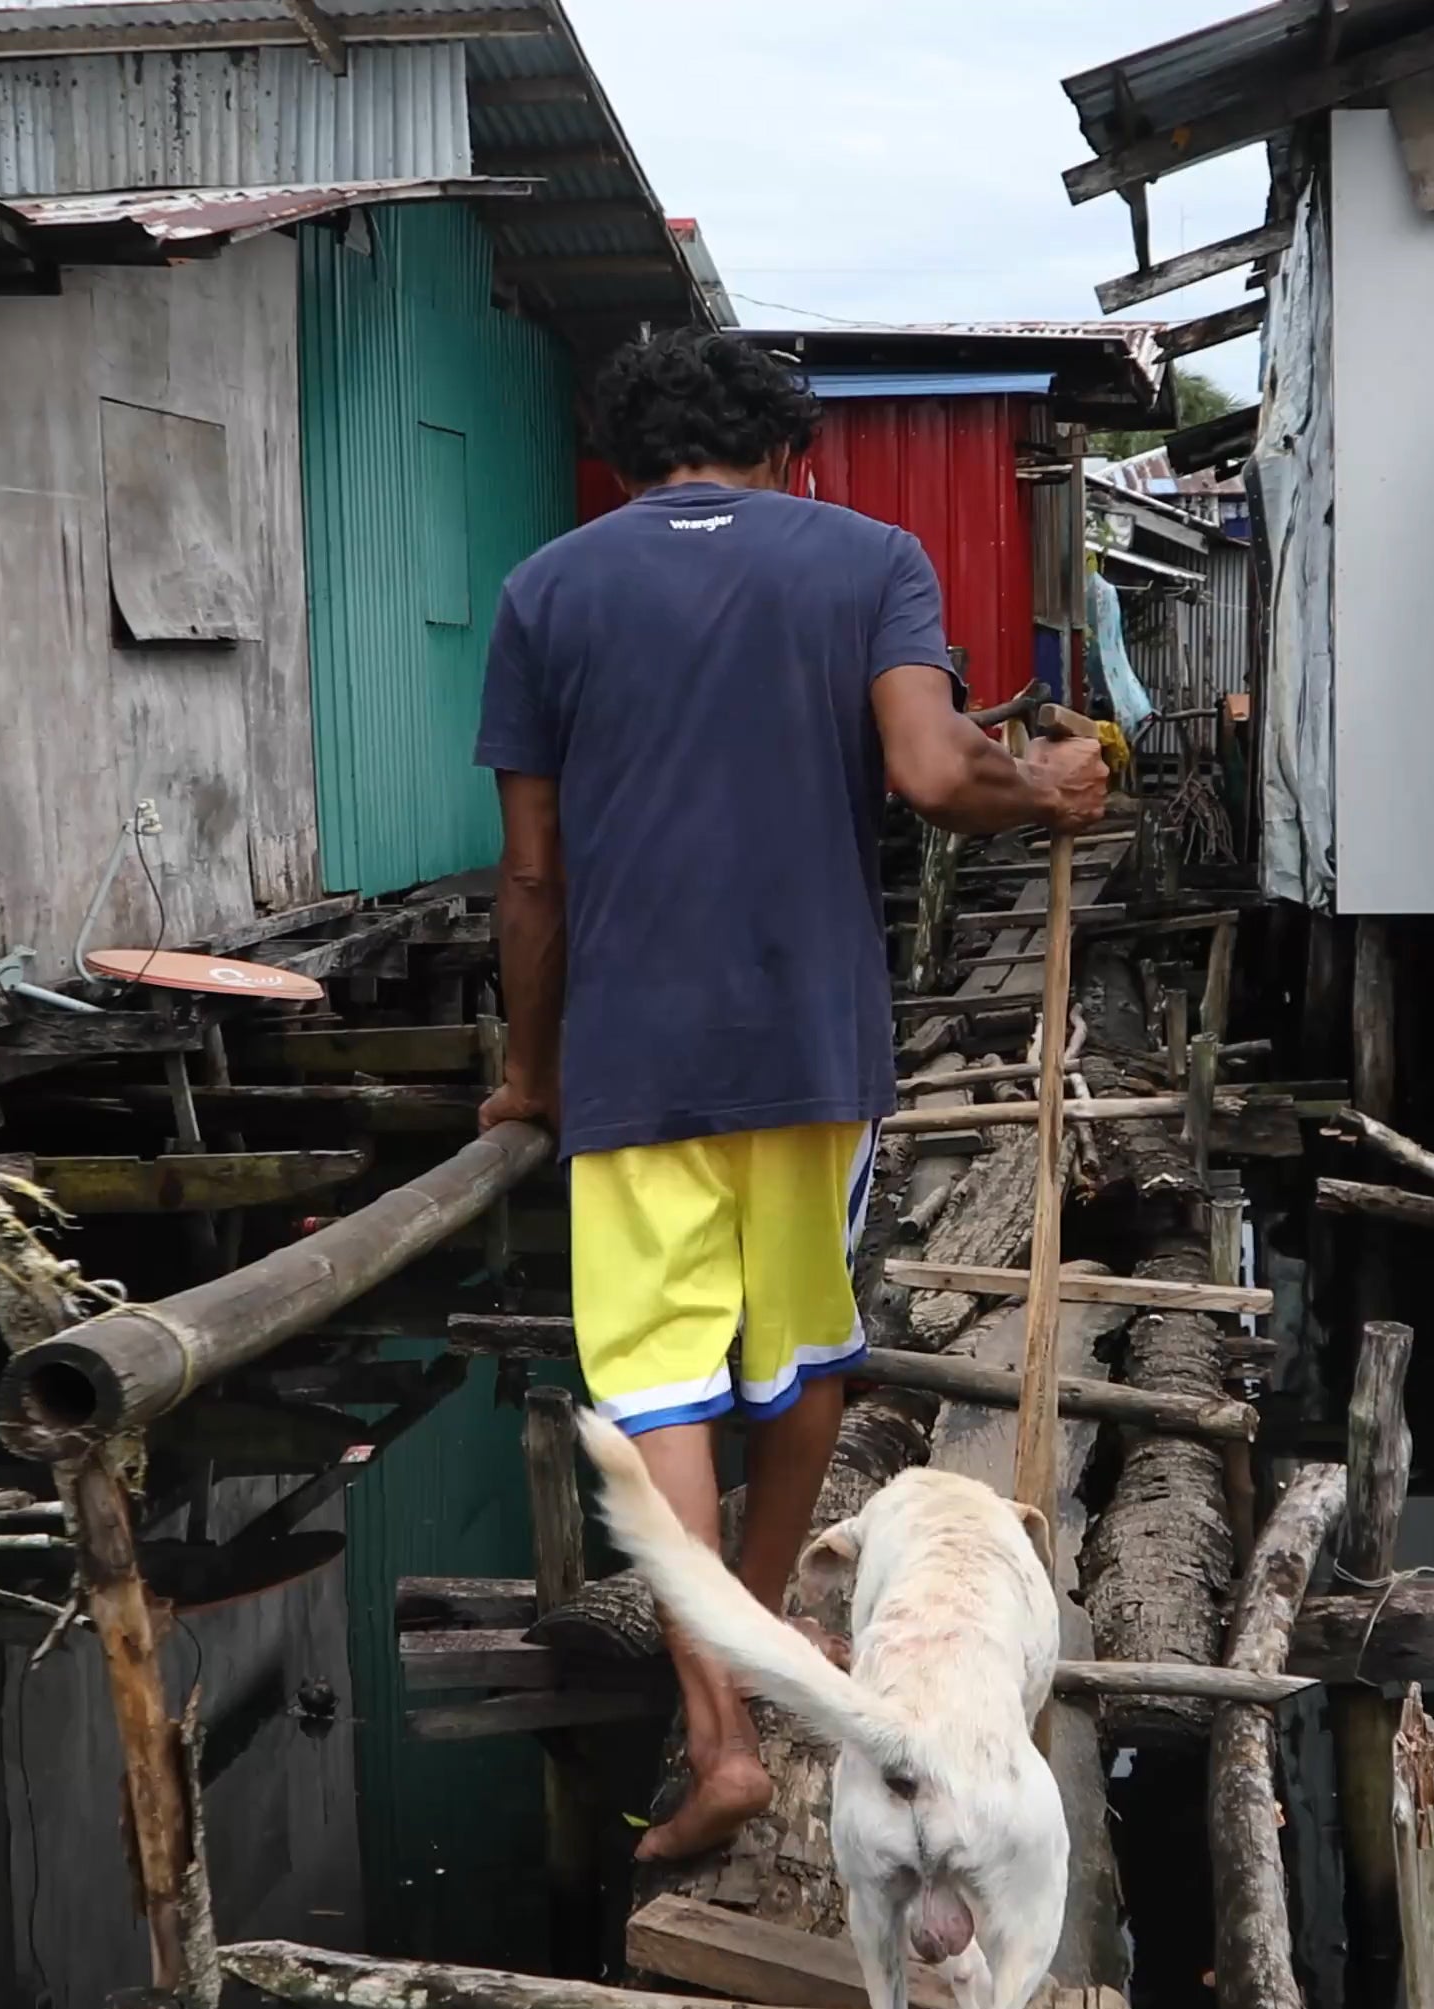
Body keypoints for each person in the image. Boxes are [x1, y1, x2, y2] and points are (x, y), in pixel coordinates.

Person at [473, 330, 1109, 1861]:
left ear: (628, 458)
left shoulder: (547, 590)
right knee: (807, 1344)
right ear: (788, 450)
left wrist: (527, 1070)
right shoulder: (870, 556)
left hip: (635, 1057)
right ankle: (756, 1634)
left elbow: (534, 873)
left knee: (658, 1383)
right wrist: (1055, 789)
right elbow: (936, 771)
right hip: (817, 1043)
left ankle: (721, 1735)